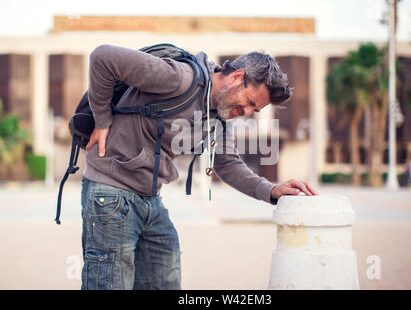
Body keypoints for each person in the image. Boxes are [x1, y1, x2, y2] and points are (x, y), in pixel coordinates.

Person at [81, 44, 318, 290]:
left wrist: (271, 190)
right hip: (111, 194)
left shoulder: (218, 115)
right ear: (237, 77)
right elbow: (103, 57)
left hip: (149, 200)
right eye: (249, 102)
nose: (246, 112)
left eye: (254, 111)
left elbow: (229, 166)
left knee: (164, 281)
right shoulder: (179, 78)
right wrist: (102, 120)